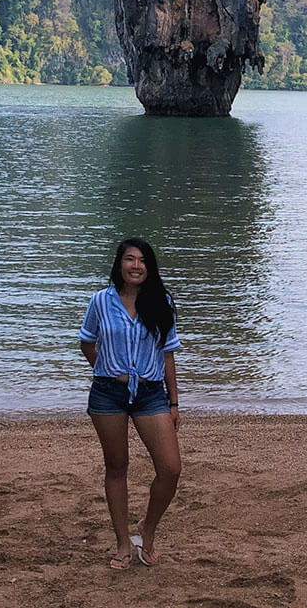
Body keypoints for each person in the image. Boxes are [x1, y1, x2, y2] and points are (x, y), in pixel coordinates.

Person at [78, 237, 182, 570]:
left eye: (142, 261)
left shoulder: (162, 302)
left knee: (170, 468)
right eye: (129, 259)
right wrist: (106, 370)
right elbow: (87, 341)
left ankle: (146, 529)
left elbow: (167, 355)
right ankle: (123, 543)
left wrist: (174, 403)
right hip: (108, 394)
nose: (135, 266)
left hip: (151, 394)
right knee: (117, 467)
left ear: (149, 268)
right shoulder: (100, 301)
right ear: (119, 264)